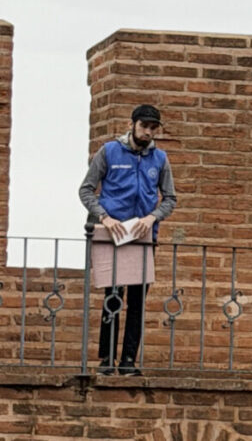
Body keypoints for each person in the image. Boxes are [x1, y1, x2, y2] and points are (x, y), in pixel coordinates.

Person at [78, 104, 177, 376]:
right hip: (112, 235)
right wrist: (104, 217)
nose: (148, 131)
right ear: (132, 124)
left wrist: (152, 218)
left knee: (137, 301)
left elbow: (170, 199)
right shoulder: (109, 151)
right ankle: (107, 360)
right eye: (144, 125)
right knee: (113, 297)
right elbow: (86, 190)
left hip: (143, 239)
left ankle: (129, 361)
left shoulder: (160, 159)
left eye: (153, 127)